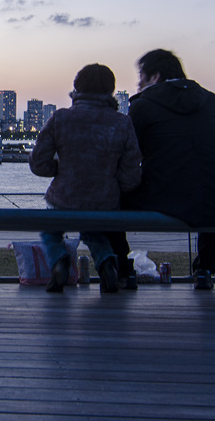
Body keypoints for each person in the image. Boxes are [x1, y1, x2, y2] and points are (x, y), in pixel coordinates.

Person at [115, 49, 215, 290]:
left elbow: (126, 154)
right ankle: (205, 268)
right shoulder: (208, 99)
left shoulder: (143, 105)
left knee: (108, 206)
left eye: (140, 77)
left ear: (154, 77)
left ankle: (124, 271)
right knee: (213, 187)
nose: (138, 84)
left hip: (162, 195)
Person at [29, 64, 142, 293]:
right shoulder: (122, 122)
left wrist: (61, 168)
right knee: (95, 234)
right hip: (105, 199)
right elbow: (131, 170)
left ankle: (60, 260)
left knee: (51, 232)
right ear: (111, 90)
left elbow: (38, 163)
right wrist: (114, 184)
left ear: (76, 87)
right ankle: (107, 263)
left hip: (64, 196)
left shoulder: (60, 118)